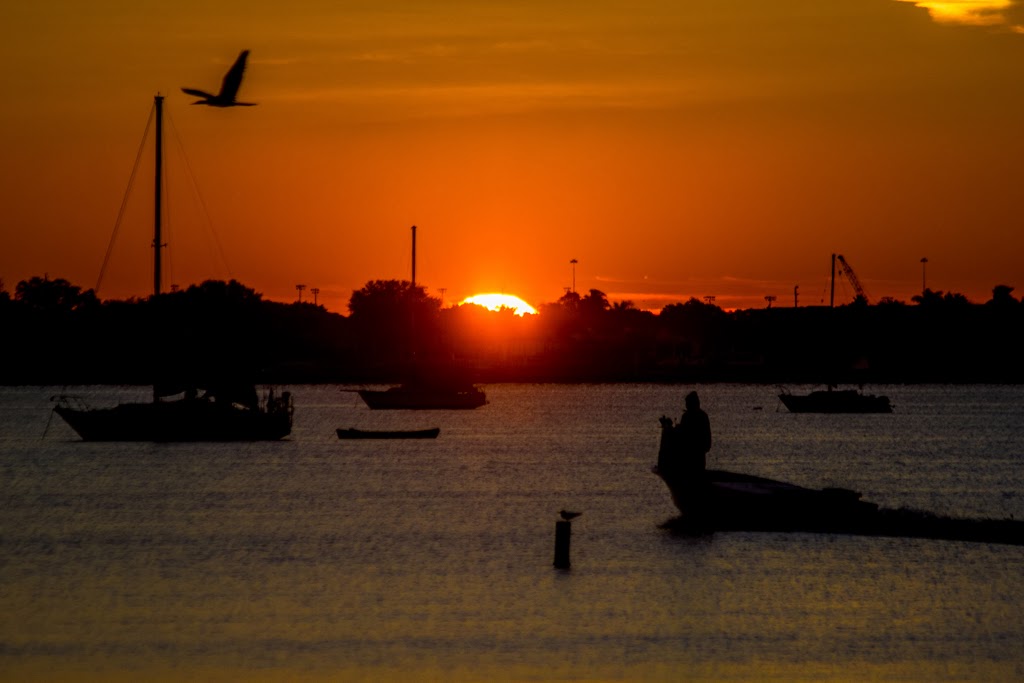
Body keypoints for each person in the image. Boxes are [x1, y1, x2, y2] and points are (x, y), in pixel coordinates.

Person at [676, 391, 712, 474]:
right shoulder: (703, 415)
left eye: (687, 403)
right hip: (698, 451)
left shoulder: (687, 416)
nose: (686, 405)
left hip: (693, 452)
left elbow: (683, 434)